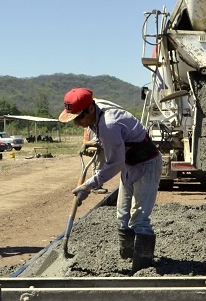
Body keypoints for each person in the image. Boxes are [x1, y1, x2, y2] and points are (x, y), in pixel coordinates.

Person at [58, 88, 162, 272]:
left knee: (139, 219)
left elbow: (114, 163)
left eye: (78, 119)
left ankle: (142, 269)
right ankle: (129, 257)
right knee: (123, 216)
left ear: (90, 109)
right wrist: (96, 142)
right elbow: (116, 140)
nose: (77, 124)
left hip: (146, 165)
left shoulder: (109, 124)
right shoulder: (98, 111)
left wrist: (88, 186)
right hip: (130, 164)